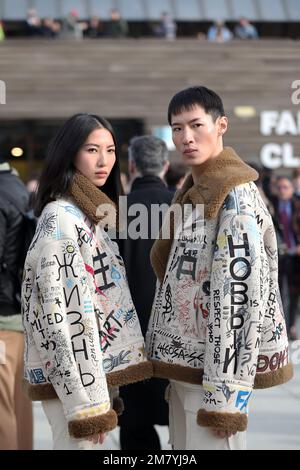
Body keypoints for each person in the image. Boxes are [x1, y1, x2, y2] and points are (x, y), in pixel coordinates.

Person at [146, 86, 293, 450]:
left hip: (212, 380)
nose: (186, 137)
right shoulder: (195, 190)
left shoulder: (233, 198)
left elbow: (240, 304)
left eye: (196, 125)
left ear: (221, 125)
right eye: (177, 128)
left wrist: (225, 398)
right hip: (187, 369)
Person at [21, 113, 152, 450]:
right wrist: (86, 405)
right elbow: (60, 319)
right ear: (70, 153)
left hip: (87, 379)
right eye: (92, 150)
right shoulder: (62, 218)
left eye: (110, 150)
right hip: (74, 385)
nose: (104, 161)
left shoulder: (89, 216)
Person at [117, 136, 172, 450]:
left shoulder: (117, 211)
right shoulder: (185, 207)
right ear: (165, 166)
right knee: (182, 421)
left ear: (133, 165)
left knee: (135, 427)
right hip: (176, 336)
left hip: (129, 336)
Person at [0, 159, 33, 450]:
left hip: (2, 316)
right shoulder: (18, 189)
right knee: (20, 404)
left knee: (2, 410)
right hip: (19, 313)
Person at [271, 176, 300, 341]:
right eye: (280, 187)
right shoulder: (272, 205)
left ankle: (291, 327)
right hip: (279, 256)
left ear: (291, 189)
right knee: (279, 293)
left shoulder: (297, 205)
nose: (282, 191)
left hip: (295, 255)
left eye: (286, 187)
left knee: (294, 294)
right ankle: (280, 327)